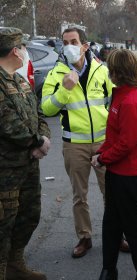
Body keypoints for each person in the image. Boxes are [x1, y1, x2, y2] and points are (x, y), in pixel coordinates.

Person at [41, 27, 114, 258]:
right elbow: (46, 108)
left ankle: (117, 235)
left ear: (85, 45)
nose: (69, 46)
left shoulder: (102, 70)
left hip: (103, 143)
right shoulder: (56, 74)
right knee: (79, 196)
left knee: (111, 193)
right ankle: (84, 237)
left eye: (73, 41)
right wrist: (65, 89)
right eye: (65, 42)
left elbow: (115, 102)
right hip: (74, 145)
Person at [92, 49, 137, 280]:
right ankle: (109, 269)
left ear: (118, 72)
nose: (108, 72)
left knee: (134, 228)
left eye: (111, 69)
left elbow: (126, 144)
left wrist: (102, 158)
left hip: (129, 176)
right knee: (111, 224)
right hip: (116, 173)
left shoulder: (132, 101)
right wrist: (102, 151)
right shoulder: (121, 96)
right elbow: (115, 136)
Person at [0, 27, 51, 280]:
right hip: (6, 170)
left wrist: (43, 136)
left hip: (29, 166)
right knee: (3, 224)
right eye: (22, 47)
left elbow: (38, 112)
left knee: (28, 215)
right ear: (14, 51)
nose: (24, 52)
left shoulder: (20, 80)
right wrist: (36, 142)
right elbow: (7, 123)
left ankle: (15, 265)